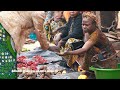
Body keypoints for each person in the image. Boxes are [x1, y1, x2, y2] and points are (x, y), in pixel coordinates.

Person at [57, 12, 118, 78]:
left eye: (87, 25)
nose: (84, 27)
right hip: (101, 54)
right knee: (87, 50)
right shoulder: (89, 31)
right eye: (83, 25)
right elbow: (85, 42)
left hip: (109, 57)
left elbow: (84, 49)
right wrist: (86, 33)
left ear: (94, 24)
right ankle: (89, 71)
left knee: (87, 50)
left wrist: (68, 52)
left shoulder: (96, 34)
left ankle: (90, 71)